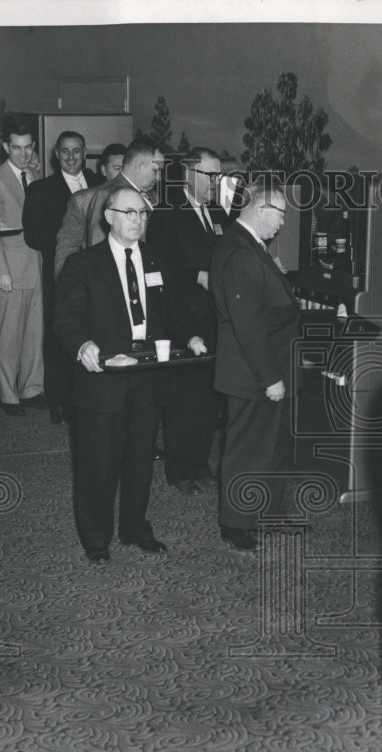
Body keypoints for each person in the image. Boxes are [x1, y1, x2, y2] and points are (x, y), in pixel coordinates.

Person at [54, 187, 206, 563]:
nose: (138, 220)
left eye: (143, 214)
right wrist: (82, 346)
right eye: (130, 213)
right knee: (97, 463)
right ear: (109, 216)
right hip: (103, 376)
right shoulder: (83, 264)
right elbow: (65, 320)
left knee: (140, 459)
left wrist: (191, 334)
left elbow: (174, 308)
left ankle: (135, 527)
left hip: (148, 373)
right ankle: (96, 539)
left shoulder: (156, 260)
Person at [211, 177, 299, 550]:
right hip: (254, 373)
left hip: (268, 367)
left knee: (273, 446)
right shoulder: (243, 251)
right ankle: (237, 522)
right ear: (260, 209)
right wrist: (270, 378)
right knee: (247, 450)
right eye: (280, 214)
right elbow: (248, 326)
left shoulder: (249, 244)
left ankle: (270, 513)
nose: (282, 223)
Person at [145, 147, 225, 494]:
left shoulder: (217, 212)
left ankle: (200, 463)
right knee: (183, 398)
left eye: (219, 176)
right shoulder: (167, 213)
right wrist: (196, 275)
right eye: (211, 176)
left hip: (215, 317)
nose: (216, 183)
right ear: (191, 174)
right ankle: (179, 469)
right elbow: (158, 269)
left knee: (209, 396)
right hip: (184, 320)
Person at [22, 131, 104, 424]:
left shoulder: (100, 184)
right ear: (56, 154)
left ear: (85, 154)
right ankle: (59, 400)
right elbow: (33, 236)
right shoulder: (41, 190)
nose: (71, 157)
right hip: (61, 270)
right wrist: (71, 242)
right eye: (65, 151)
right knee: (61, 332)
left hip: (98, 272)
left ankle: (89, 396)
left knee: (94, 330)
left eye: (77, 151)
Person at [0, 123, 45, 416]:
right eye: (16, 147)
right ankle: (9, 394)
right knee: (8, 335)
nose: (22, 153)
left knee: (34, 333)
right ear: (6, 147)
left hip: (35, 266)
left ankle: (31, 388)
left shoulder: (32, 176)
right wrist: (0, 271)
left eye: (28, 147)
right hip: (10, 269)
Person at [54, 137, 163, 276]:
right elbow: (75, 256)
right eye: (155, 170)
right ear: (139, 165)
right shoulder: (101, 198)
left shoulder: (153, 197)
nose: (159, 177)